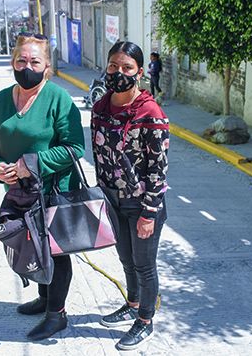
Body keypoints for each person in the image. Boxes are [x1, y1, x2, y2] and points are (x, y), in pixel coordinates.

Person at [0, 33, 85, 341]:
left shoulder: (58, 99)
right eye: (21, 60)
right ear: (13, 62)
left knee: (55, 252)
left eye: (35, 61)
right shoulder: (1, 100)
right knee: (29, 246)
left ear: (47, 67)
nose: (28, 66)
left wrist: (33, 163)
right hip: (18, 193)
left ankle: (57, 315)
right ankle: (43, 298)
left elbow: (74, 147)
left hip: (54, 191)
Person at [91, 42, 170, 351]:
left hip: (141, 204)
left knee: (144, 264)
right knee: (125, 258)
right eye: (113, 66)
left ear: (139, 72)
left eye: (126, 68)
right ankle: (133, 303)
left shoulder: (150, 112)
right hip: (113, 199)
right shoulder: (100, 108)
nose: (118, 73)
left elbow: (158, 169)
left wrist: (150, 213)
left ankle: (145, 320)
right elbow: (98, 155)